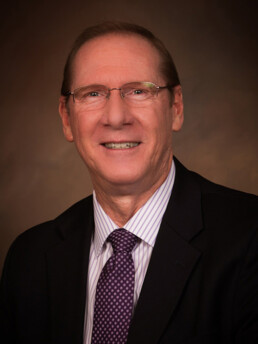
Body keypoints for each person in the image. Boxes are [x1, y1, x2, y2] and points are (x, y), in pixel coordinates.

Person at [0, 21, 257, 344]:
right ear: (67, 119)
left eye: (139, 91)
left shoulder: (249, 237)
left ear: (175, 108)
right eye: (92, 93)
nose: (117, 116)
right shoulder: (28, 260)